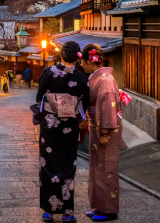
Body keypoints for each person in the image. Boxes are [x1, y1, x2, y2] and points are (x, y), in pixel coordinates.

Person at [36, 41, 88, 222]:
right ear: (77, 57)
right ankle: (67, 213)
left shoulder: (48, 72)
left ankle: (48, 211)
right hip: (70, 127)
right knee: (67, 166)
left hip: (50, 126)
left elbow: (39, 96)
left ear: (61, 55)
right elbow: (85, 102)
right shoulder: (82, 77)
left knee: (48, 164)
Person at [80, 43, 125, 222]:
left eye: (82, 61)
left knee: (107, 168)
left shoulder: (104, 80)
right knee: (97, 167)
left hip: (106, 130)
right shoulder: (97, 78)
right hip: (97, 127)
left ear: (89, 60)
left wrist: (105, 132)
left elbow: (108, 108)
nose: (81, 65)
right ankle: (98, 205)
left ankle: (109, 210)